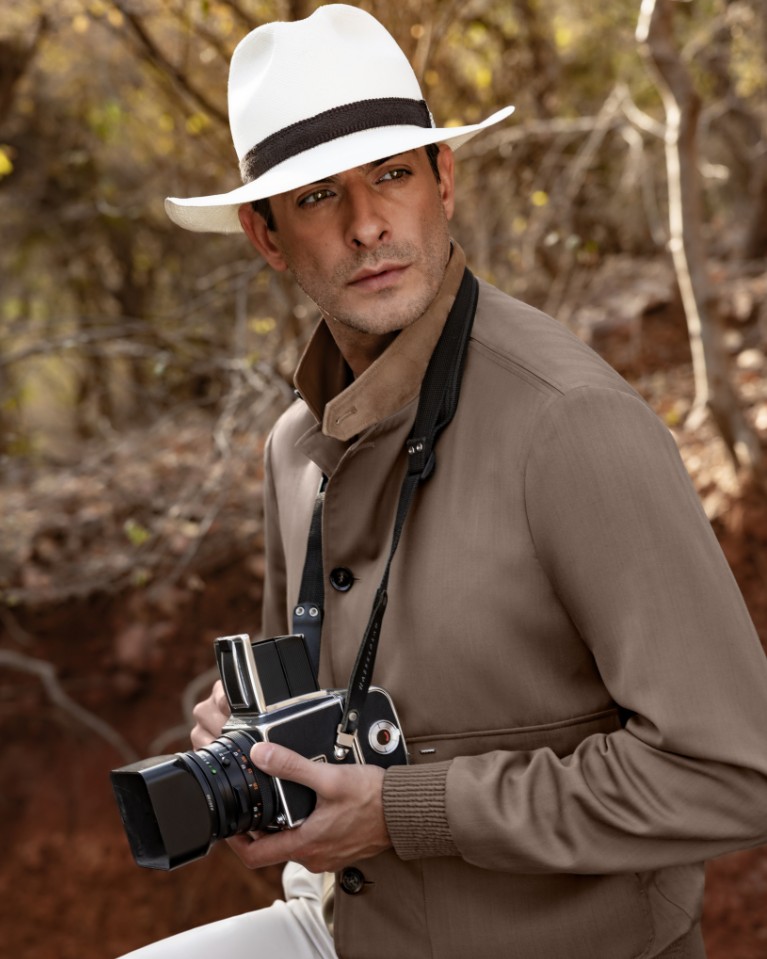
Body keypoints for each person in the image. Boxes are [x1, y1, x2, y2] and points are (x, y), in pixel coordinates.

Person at [119, 5, 767, 958]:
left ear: (443, 180)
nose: (367, 224)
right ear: (264, 234)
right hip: (351, 921)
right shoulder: (292, 450)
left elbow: (736, 773)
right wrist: (253, 738)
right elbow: (338, 716)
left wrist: (402, 812)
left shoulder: (571, 423)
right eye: (315, 196)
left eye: (390, 175)